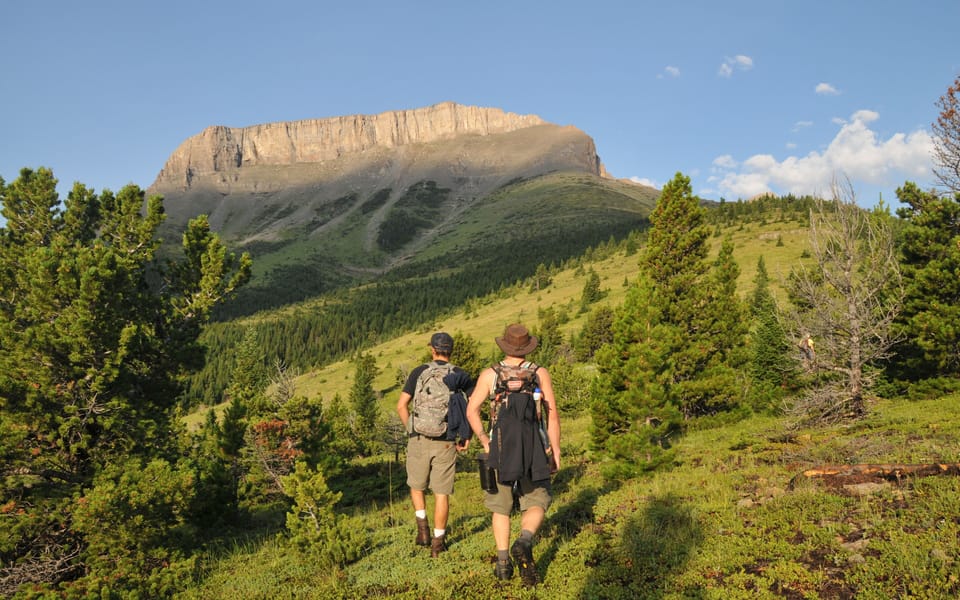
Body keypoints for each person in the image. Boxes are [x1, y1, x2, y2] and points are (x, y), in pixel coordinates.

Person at [466, 323, 561, 587]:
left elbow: (471, 411)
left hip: (500, 447)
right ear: (527, 346)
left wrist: (486, 441)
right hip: (534, 447)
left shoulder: (490, 375)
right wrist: (555, 449)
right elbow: (552, 414)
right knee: (538, 498)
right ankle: (525, 540)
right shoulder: (539, 373)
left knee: (501, 505)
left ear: (505, 346)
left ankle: (503, 564)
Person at [396, 332, 474, 557]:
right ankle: (438, 545)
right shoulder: (460, 375)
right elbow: (473, 406)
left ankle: (423, 531)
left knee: (416, 485)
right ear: (451, 350)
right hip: (447, 441)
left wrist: (411, 428)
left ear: (433, 349)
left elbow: (402, 406)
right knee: (441, 493)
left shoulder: (420, 372)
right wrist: (466, 434)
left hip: (418, 438)